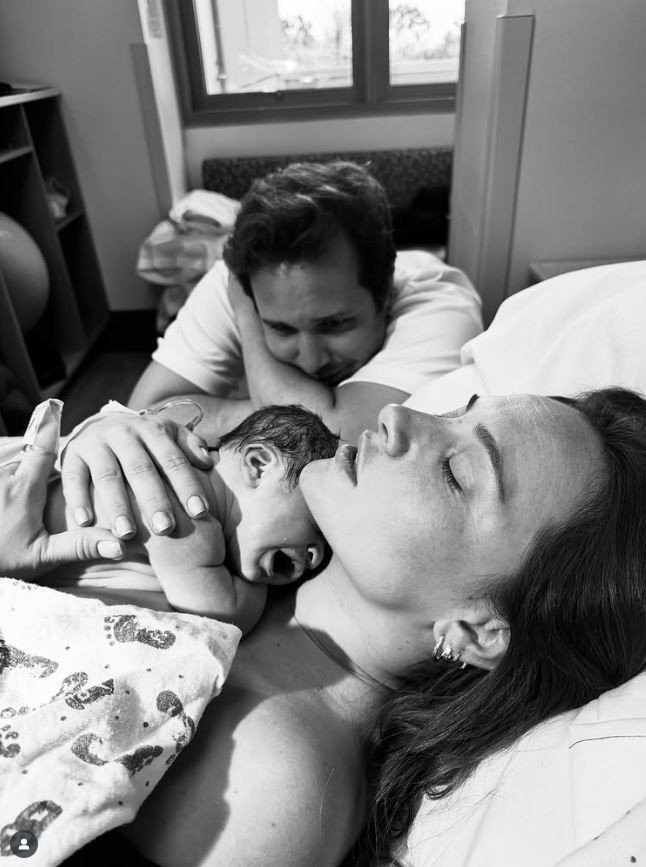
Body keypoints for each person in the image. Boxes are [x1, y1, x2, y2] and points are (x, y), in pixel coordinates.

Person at [3, 387, 646, 867]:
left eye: (456, 471)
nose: (398, 418)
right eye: (454, 411)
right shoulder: (256, 545)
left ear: (478, 632)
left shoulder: (278, 783)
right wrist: (102, 450)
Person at [58, 161, 482, 543]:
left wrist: (249, 327)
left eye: (334, 325)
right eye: (279, 328)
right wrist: (253, 322)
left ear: (384, 292)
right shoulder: (240, 283)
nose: (311, 360)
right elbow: (145, 412)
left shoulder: (440, 302)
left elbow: (337, 438)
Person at [38, 402, 339, 634]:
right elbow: (221, 617)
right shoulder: (189, 517)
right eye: (317, 519)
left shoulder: (176, 469)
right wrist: (258, 591)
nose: (316, 557)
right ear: (259, 465)